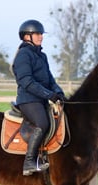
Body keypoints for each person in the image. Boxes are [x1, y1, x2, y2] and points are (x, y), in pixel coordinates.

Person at [12, 19, 65, 176]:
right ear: (27, 36)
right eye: (37, 34)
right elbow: (26, 81)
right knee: (42, 123)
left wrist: (58, 92)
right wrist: (49, 95)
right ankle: (29, 162)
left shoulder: (42, 56)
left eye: (41, 34)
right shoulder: (23, 55)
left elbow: (49, 79)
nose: (41, 36)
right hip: (28, 100)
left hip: (40, 99)